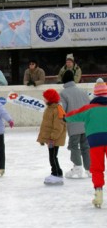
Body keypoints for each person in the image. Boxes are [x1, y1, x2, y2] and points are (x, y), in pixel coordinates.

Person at [65, 79, 107, 208]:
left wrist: (64, 117)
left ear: (94, 95)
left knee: (97, 168)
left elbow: (74, 115)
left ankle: (98, 193)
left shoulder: (88, 109)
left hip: (95, 141)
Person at [60, 70, 91, 179]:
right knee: (86, 146)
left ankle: (77, 167)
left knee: (74, 146)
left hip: (73, 124)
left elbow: (62, 110)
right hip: (86, 124)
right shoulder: (82, 91)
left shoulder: (63, 93)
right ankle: (90, 169)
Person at [37, 89, 67, 186]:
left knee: (53, 156)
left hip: (54, 139)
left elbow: (59, 126)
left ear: (50, 99)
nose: (44, 99)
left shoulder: (57, 109)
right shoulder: (49, 108)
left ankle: (56, 174)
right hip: (50, 138)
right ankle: (58, 172)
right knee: (53, 156)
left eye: (45, 98)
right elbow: (45, 125)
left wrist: (52, 138)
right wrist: (42, 137)